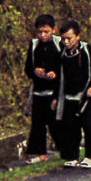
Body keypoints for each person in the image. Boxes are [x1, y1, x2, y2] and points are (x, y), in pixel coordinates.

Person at [53, 19, 91, 169]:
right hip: (69, 96)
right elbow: (59, 77)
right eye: (63, 38)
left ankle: (90, 155)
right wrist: (56, 97)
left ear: (78, 36)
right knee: (69, 127)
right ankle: (72, 156)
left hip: (87, 96)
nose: (66, 41)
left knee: (90, 126)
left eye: (69, 38)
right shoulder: (62, 54)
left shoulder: (89, 51)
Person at [24, 13, 62, 163]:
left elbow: (66, 66)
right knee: (38, 123)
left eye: (46, 31)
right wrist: (35, 71)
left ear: (53, 29)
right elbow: (27, 68)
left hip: (55, 91)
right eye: (40, 32)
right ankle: (40, 153)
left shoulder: (60, 44)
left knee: (55, 122)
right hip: (39, 91)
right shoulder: (33, 45)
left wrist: (55, 73)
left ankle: (66, 148)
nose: (43, 35)